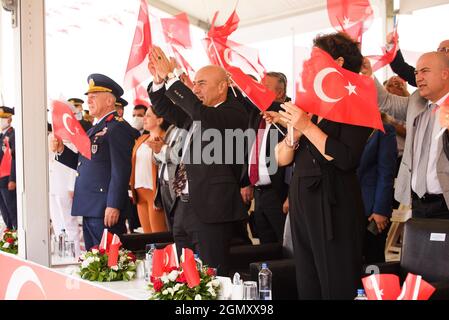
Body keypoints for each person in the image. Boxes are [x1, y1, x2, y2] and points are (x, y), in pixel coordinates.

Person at [275, 32, 373, 299]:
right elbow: (282, 158)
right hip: (302, 200)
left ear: (338, 63)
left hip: (334, 203)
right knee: (308, 283)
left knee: (336, 284)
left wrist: (306, 126)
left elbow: (345, 158)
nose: (307, 64)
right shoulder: (309, 103)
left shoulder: (357, 100)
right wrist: (295, 132)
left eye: (314, 58)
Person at [147, 46, 249, 276]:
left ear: (222, 87)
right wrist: (159, 81)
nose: (195, 88)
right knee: (186, 275)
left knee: (213, 277)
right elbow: (165, 108)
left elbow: (200, 113)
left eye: (201, 83)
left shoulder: (233, 112)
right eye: (194, 83)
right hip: (184, 207)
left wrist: (173, 78)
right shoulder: (200, 113)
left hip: (213, 210)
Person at [50, 74, 138, 250]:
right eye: (88, 97)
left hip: (105, 208)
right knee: (94, 262)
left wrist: (113, 204)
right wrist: (61, 150)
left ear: (109, 101)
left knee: (107, 263)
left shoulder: (117, 128)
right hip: (91, 206)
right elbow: (84, 163)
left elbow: (120, 170)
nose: (88, 101)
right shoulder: (96, 129)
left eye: (93, 96)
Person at [362, 51, 449, 219]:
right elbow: (385, 101)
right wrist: (368, 76)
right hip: (417, 203)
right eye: (416, 72)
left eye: (425, 71)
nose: (418, 77)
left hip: (445, 203)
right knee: (420, 246)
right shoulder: (416, 101)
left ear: (445, 74)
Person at [240, 71, 288, 244]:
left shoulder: (289, 113)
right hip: (259, 193)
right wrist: (247, 181)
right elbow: (250, 149)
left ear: (280, 93)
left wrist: (290, 195)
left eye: (264, 87)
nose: (259, 91)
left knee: (286, 247)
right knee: (266, 248)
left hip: (280, 193)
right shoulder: (257, 113)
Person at [357, 116, 397, 263]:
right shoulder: (341, 127)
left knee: (373, 260)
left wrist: (380, 209)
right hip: (344, 205)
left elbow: (386, 173)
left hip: (371, 209)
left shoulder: (384, 130)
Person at [130, 106, 169, 233]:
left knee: (159, 235)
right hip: (140, 192)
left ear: (159, 120)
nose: (144, 119)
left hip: (155, 193)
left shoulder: (166, 139)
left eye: (148, 116)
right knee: (146, 236)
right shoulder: (141, 139)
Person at [47, 126, 81, 257]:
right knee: (57, 222)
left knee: (69, 223)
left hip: (66, 186)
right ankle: (62, 254)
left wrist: (72, 186)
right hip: (53, 184)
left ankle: (75, 256)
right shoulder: (52, 136)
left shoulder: (74, 134)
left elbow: (76, 164)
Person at [0, 107, 17, 230]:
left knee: (12, 209)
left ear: (9, 118)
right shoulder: (2, 136)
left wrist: (13, 178)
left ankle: (16, 233)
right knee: (4, 210)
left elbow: (14, 158)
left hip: (7, 179)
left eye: (2, 118)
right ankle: (9, 233)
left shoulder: (13, 135)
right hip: (1, 179)